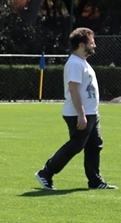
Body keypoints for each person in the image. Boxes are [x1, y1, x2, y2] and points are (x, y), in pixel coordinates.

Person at [35, 27, 115, 191]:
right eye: (91, 42)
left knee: (95, 145)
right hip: (79, 114)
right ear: (81, 44)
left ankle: (95, 181)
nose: (95, 45)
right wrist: (81, 114)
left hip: (91, 113)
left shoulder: (82, 62)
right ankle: (46, 173)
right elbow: (73, 90)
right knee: (76, 146)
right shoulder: (74, 64)